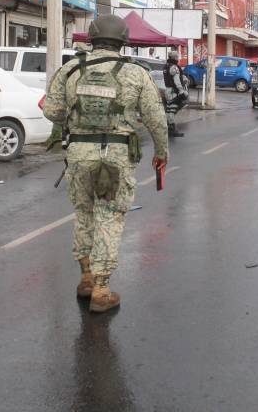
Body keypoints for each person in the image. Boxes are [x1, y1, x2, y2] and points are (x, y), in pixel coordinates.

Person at [43, 15, 169, 313]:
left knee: (84, 214)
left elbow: (51, 111)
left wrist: (73, 120)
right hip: (116, 155)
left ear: (92, 38)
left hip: (78, 154)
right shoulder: (136, 73)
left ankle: (86, 278)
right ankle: (101, 289)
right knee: (109, 217)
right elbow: (156, 119)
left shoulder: (70, 69)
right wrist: (161, 151)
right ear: (123, 40)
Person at [163, 50, 189, 138]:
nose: (178, 58)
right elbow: (177, 81)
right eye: (177, 57)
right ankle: (172, 130)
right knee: (172, 110)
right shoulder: (174, 67)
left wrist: (184, 78)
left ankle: (168, 128)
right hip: (173, 91)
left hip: (168, 90)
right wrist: (181, 91)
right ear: (174, 57)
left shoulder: (166, 66)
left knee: (169, 110)